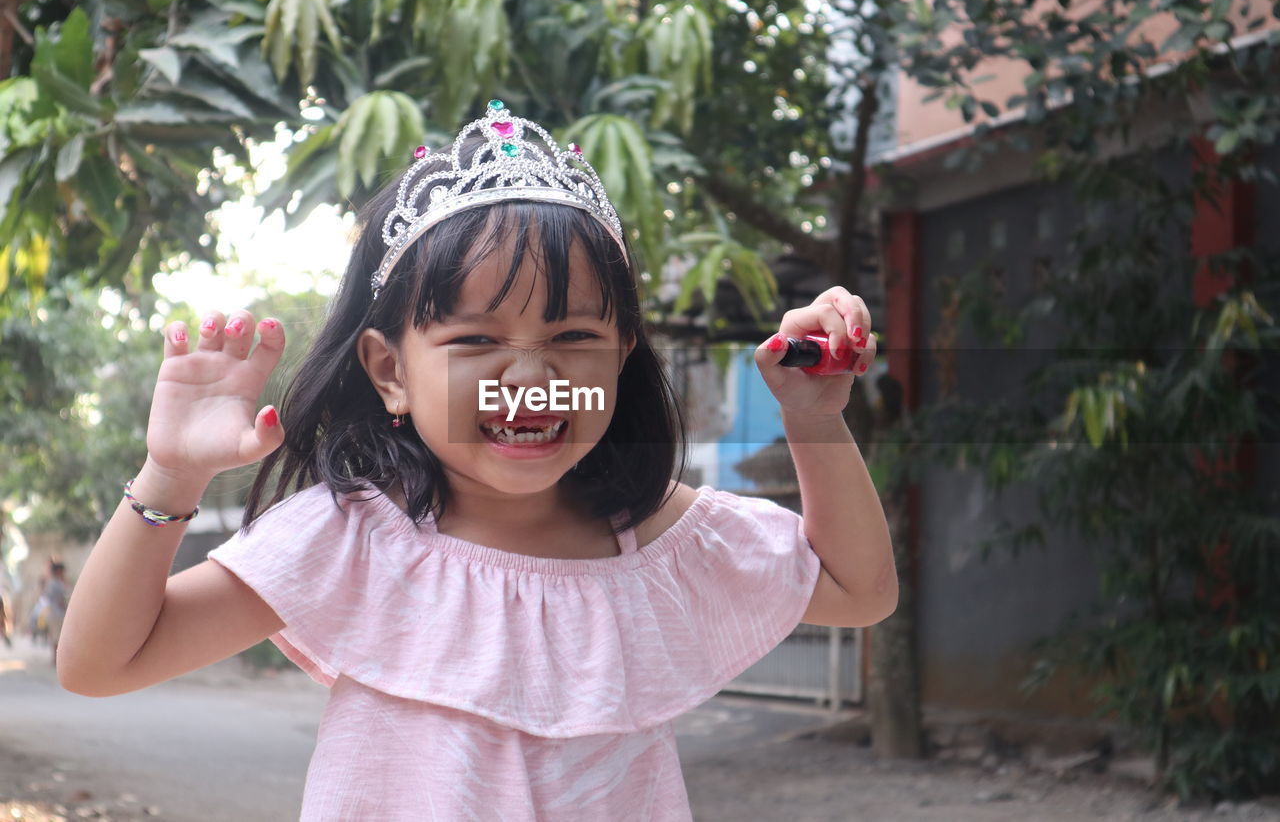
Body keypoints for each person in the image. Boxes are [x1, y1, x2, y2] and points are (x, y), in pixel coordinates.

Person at [57, 101, 896, 820]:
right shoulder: (352, 539)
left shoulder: (658, 543)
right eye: (476, 341)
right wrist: (172, 476)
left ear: (622, 356)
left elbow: (861, 591)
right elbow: (100, 663)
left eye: (573, 338)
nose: (529, 379)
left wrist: (812, 417)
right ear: (392, 371)